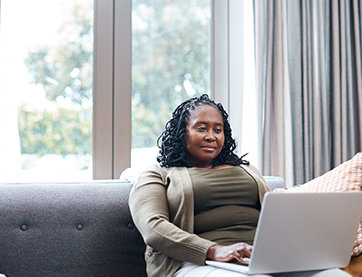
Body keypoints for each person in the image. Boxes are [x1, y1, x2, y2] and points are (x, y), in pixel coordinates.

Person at [129, 94, 350, 277]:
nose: (211, 136)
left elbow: (275, 215)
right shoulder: (157, 174)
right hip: (194, 263)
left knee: (336, 275)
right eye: (201, 128)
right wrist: (214, 250)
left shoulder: (248, 170)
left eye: (218, 129)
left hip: (264, 258)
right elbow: (153, 228)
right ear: (182, 133)